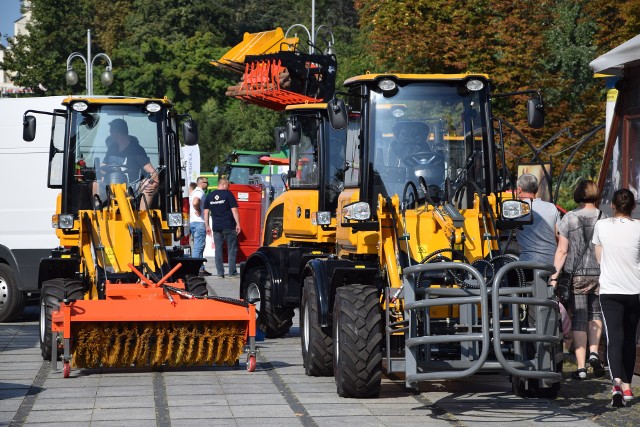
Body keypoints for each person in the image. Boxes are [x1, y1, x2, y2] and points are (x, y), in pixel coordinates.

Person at [549, 180, 605, 380]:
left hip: (577, 275)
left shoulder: (569, 219)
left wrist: (554, 278)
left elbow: (562, 251)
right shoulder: (603, 217)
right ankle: (593, 353)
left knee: (579, 319)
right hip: (599, 274)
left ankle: (581, 368)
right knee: (595, 313)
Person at [593, 188, 640, 407]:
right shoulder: (639, 227)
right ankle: (629, 387)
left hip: (611, 289)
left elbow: (600, 258)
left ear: (612, 205)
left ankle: (617, 386)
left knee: (615, 338)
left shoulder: (601, 226)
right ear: (633, 206)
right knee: (630, 339)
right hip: (635, 289)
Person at [103, 118, 159, 207]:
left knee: (148, 184)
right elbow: (103, 167)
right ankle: (97, 214)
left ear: (116, 133)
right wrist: (101, 175)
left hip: (131, 187)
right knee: (95, 184)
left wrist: (154, 183)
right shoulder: (112, 148)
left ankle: (144, 217)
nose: (110, 134)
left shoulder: (136, 150)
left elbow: (153, 173)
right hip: (111, 185)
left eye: (111, 131)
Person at [515, 173, 560, 267]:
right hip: (551, 263)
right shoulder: (551, 207)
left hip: (528, 263)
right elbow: (557, 236)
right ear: (536, 189)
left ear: (519, 189)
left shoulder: (517, 209)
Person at [203, 178, 241, 278]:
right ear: (224, 185)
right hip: (229, 226)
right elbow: (234, 210)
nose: (228, 187)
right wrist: (238, 224)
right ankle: (232, 272)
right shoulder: (228, 194)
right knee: (231, 249)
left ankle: (220, 273)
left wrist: (207, 226)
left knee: (218, 250)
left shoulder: (210, 196)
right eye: (228, 185)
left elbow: (206, 212)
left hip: (216, 227)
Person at [190, 177, 211, 277]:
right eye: (206, 182)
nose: (207, 184)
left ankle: (201, 268)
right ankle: (194, 269)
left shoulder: (193, 191)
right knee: (198, 247)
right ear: (202, 183)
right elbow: (195, 202)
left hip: (193, 222)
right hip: (199, 222)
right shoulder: (200, 192)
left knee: (198, 246)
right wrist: (198, 209)